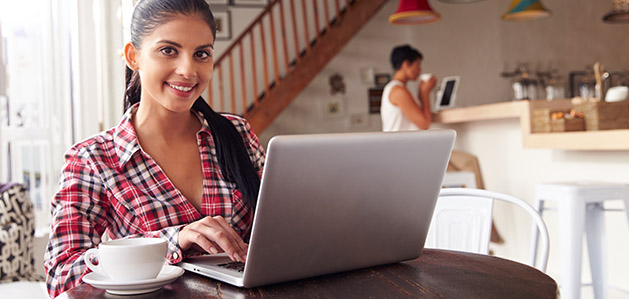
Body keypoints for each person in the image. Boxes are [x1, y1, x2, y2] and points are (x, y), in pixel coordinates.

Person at [43, 0, 265, 297]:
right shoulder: (92, 160)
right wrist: (172, 241)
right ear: (133, 56)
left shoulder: (237, 133)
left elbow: (279, 228)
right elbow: (62, 277)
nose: (188, 70)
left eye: (201, 54)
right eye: (168, 50)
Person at [380, 45, 437, 131]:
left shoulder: (395, 88)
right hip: (398, 144)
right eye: (418, 64)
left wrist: (422, 92)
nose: (420, 69)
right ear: (406, 64)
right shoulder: (398, 91)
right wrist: (425, 93)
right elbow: (424, 124)